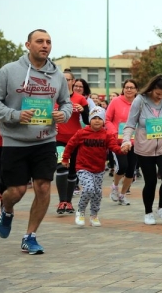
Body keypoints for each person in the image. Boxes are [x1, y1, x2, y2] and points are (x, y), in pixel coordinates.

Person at [0, 29, 73, 254]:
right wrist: (14, 115)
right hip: (15, 141)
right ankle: (7, 208)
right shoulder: (9, 71)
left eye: (49, 42)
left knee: (43, 187)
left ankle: (30, 236)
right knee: (17, 191)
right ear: (28, 45)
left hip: (45, 140)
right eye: (40, 41)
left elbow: (66, 103)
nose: (45, 45)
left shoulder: (57, 75)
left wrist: (64, 114)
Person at [121, 74, 162, 225]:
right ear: (152, 89)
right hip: (144, 148)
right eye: (158, 94)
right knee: (150, 181)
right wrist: (126, 141)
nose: (160, 97)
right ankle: (148, 212)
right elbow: (130, 124)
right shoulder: (140, 100)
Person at [61, 107, 130, 227]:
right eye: (94, 118)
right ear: (89, 120)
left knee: (97, 193)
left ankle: (94, 215)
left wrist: (122, 150)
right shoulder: (82, 132)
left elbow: (114, 147)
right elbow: (70, 145)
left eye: (99, 118)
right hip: (83, 167)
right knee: (88, 188)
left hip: (98, 169)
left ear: (103, 121)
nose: (97, 121)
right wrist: (65, 158)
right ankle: (81, 211)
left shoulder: (107, 134)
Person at [54, 70, 90, 215]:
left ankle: (68, 202)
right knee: (61, 168)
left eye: (68, 79)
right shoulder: (53, 97)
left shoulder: (81, 99)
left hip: (76, 140)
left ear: (73, 81)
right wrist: (51, 124)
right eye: (62, 79)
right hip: (59, 139)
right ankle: (62, 201)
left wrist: (83, 111)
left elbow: (88, 121)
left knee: (72, 172)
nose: (65, 81)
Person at [105, 79, 139, 206]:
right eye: (126, 87)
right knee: (122, 166)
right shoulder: (115, 101)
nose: (129, 90)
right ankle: (114, 186)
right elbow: (107, 119)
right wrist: (114, 131)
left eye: (132, 87)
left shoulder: (139, 103)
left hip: (135, 142)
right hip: (118, 141)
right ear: (123, 89)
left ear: (136, 90)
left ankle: (122, 195)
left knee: (131, 170)